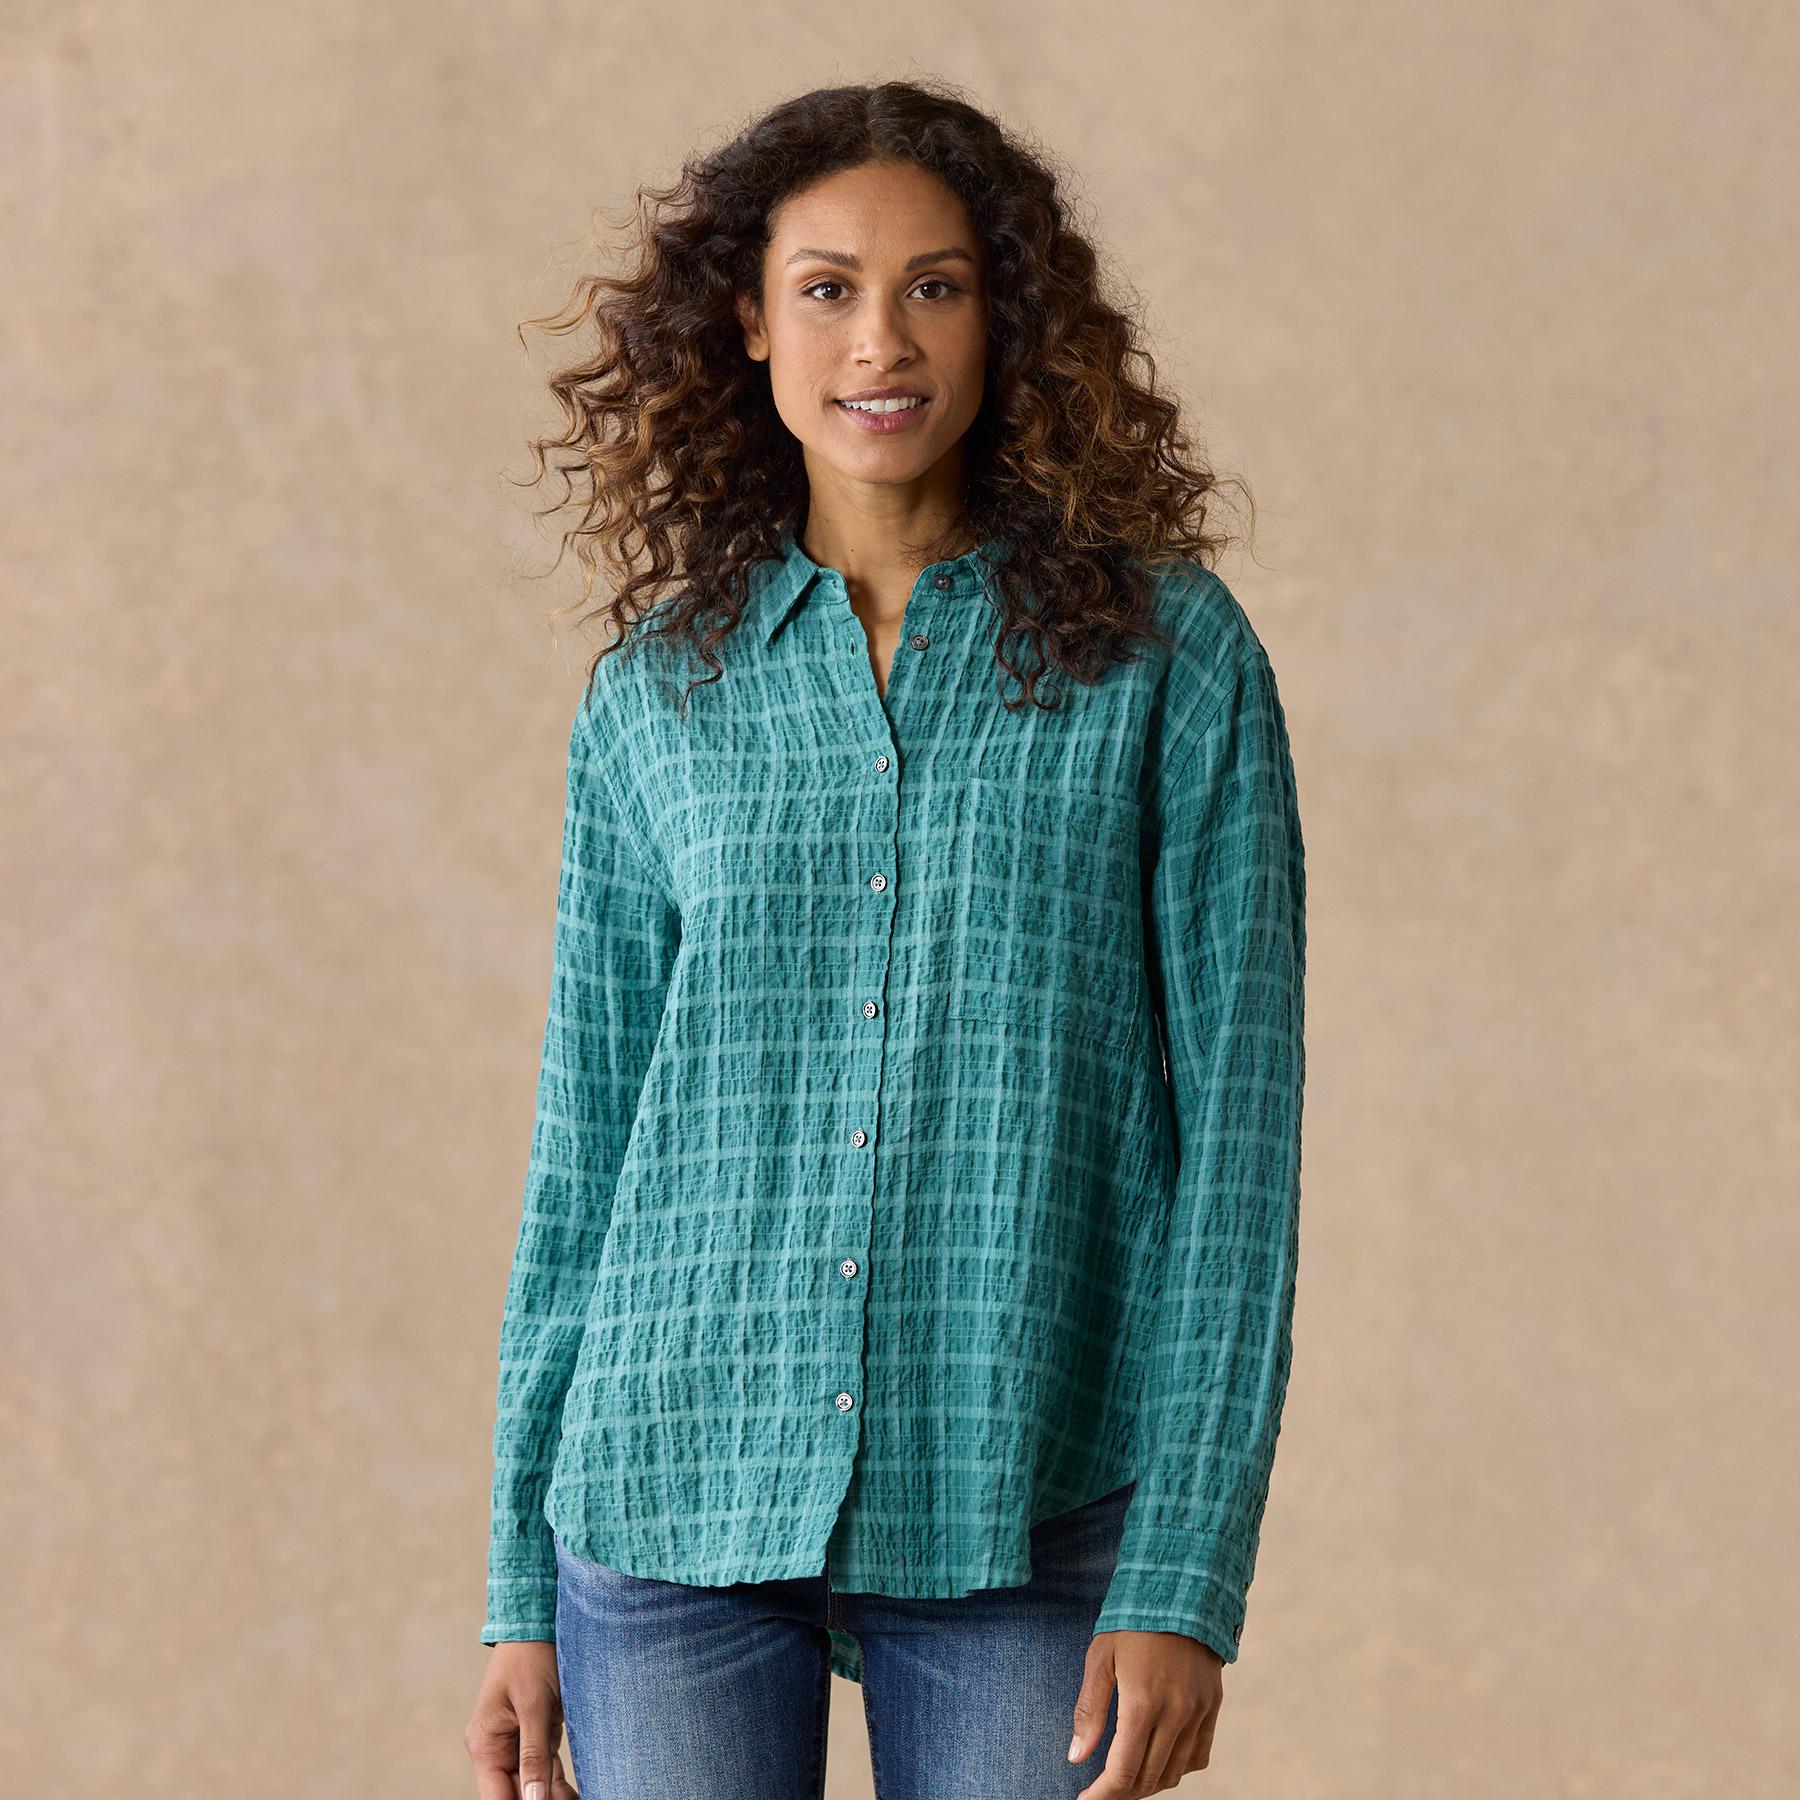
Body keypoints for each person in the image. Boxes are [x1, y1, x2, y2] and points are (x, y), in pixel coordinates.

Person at [464, 77, 1306, 1800]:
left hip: (1024, 1478)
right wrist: (513, 1590)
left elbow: (1241, 1139)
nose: (881, 340)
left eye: (936, 285)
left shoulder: (1167, 656)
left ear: (1007, 320)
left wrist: (1186, 1570)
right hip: (668, 1479)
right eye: (828, 288)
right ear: (750, 327)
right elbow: (584, 1152)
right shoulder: (658, 695)